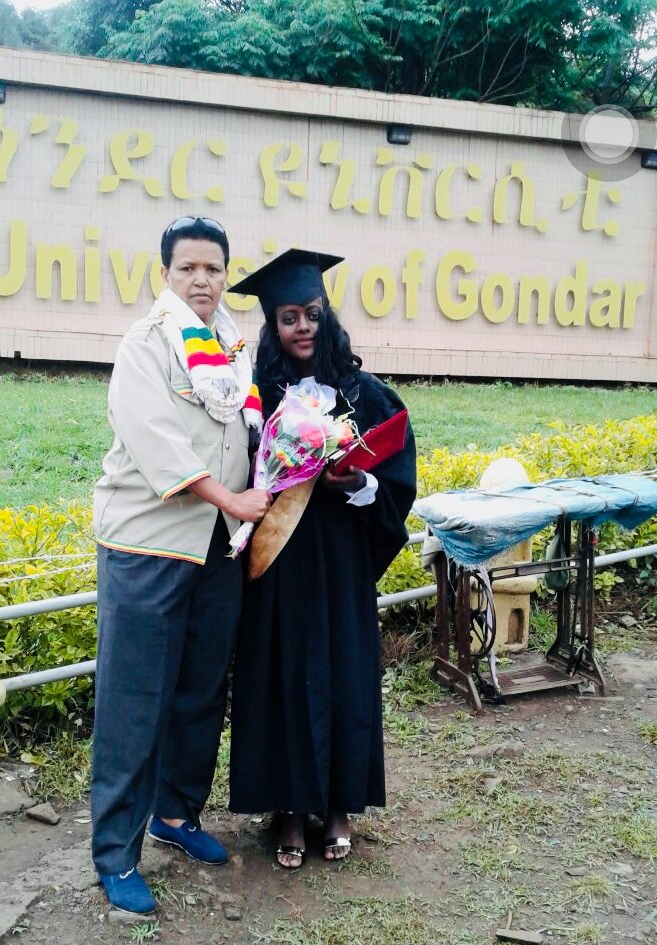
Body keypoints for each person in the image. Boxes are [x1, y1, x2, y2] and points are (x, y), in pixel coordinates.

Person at [91, 216, 271, 914]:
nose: (202, 280)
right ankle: (116, 852)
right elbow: (157, 441)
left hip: (216, 546)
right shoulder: (146, 344)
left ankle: (175, 813)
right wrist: (234, 499)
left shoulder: (232, 349)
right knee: (134, 701)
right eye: (188, 268)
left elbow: (248, 436)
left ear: (226, 275)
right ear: (165, 273)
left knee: (200, 689)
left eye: (213, 268)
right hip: (149, 545)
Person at [228, 249, 417, 869]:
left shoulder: (366, 396)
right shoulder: (255, 400)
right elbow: (235, 472)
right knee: (280, 672)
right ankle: (286, 809)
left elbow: (396, 482)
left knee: (343, 672)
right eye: (289, 318)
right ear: (273, 326)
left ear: (326, 315)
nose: (303, 327)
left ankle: (339, 805)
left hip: (340, 562)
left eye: (311, 314)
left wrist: (357, 483)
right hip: (279, 564)